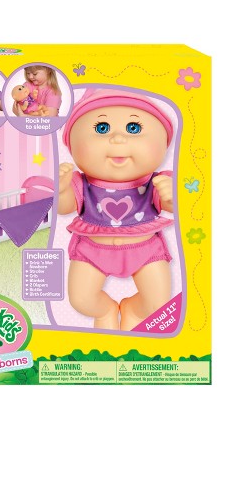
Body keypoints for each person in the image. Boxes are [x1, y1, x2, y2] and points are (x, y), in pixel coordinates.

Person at [58, 88, 175, 331]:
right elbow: (65, 208)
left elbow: (173, 207)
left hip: (145, 250)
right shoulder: (82, 182)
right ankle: (105, 311)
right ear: (72, 145)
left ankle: (134, 310)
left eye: (134, 128)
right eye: (102, 128)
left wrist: (172, 197)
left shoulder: (156, 181)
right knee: (81, 299)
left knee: (158, 303)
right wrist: (60, 191)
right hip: (93, 251)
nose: (118, 138)